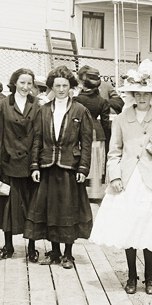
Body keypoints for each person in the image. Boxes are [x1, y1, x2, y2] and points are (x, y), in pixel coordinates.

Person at [90, 59, 152, 295]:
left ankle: (149, 277)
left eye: (146, 94)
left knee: (148, 228)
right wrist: (114, 176)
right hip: (127, 181)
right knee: (129, 227)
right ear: (132, 95)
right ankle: (131, 277)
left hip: (151, 181)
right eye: (137, 93)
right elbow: (114, 152)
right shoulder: (121, 119)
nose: (141, 98)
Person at [25, 65, 93, 269]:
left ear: (70, 87)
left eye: (65, 85)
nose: (61, 89)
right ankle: (54, 252)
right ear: (52, 87)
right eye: (57, 85)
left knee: (67, 211)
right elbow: (37, 139)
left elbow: (86, 143)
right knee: (50, 211)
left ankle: (68, 254)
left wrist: (83, 169)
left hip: (69, 169)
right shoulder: (44, 110)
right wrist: (35, 166)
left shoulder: (80, 110)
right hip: (47, 167)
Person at [0, 68, 41, 260]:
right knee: (8, 208)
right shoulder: (2, 105)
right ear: (14, 83)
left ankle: (31, 248)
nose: (26, 87)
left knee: (30, 207)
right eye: (22, 83)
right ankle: (8, 246)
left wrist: (36, 163)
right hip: (9, 162)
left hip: (30, 165)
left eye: (29, 83)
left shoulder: (37, 105)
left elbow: (39, 136)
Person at [74, 65, 111, 198]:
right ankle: (95, 192)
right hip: (98, 133)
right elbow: (106, 123)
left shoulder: (77, 100)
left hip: (81, 132)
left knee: (83, 160)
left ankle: (81, 191)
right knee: (96, 162)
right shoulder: (102, 101)